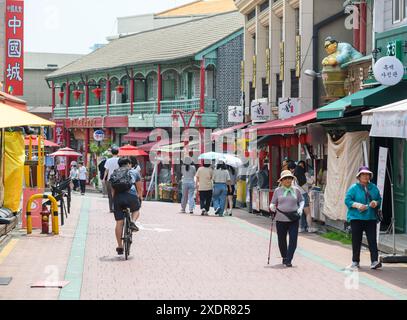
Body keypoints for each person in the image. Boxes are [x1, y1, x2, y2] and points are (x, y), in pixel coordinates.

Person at [344, 166, 382, 270]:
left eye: (367, 174)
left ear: (370, 176)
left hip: (370, 218)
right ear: (359, 176)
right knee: (356, 240)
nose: (365, 176)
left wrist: (376, 203)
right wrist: (357, 205)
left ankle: (374, 261)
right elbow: (347, 200)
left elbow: (379, 199)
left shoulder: (374, 187)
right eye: (363, 175)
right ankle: (355, 261)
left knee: (372, 240)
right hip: (356, 218)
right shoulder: (353, 188)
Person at [269, 170, 304, 267]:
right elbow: (272, 202)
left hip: (293, 218)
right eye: (286, 178)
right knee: (281, 240)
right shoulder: (277, 191)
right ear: (282, 180)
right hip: (281, 218)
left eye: (290, 178)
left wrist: (300, 208)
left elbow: (301, 201)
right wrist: (272, 206)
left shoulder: (296, 190)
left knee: (293, 240)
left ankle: (289, 259)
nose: (288, 180)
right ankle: (284, 257)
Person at [111, 157, 141, 255]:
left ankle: (120, 246)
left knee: (119, 222)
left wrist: (114, 200)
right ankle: (132, 221)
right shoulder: (134, 172)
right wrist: (140, 198)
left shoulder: (115, 173)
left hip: (118, 198)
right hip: (131, 196)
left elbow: (113, 190)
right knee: (136, 209)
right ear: (128, 164)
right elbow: (139, 189)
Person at [292, 161, 317, 233]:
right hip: (303, 195)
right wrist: (310, 176)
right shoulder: (304, 177)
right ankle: (310, 227)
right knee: (308, 213)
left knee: (300, 212)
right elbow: (313, 182)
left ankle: (301, 227)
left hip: (296, 196)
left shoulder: (293, 178)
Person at [104, 147, 120, 213]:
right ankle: (117, 208)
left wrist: (103, 178)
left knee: (110, 194)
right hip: (118, 179)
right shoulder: (120, 160)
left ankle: (111, 208)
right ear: (118, 152)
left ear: (111, 153)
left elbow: (106, 170)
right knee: (118, 194)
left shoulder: (108, 160)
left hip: (110, 179)